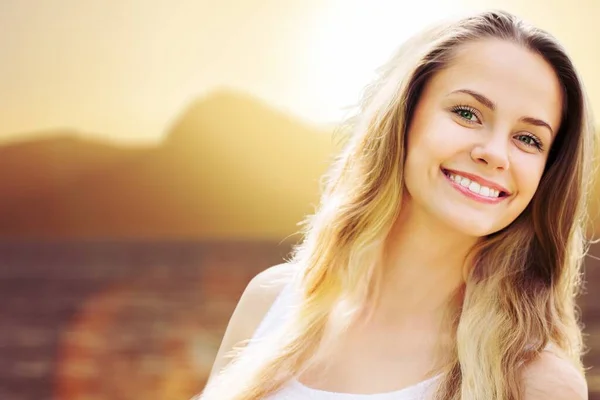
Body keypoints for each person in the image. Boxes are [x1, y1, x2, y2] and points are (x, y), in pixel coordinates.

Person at [198, 9, 596, 400]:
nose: (494, 153)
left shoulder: (536, 383)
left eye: (529, 139)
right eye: (467, 113)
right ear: (403, 115)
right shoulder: (269, 302)